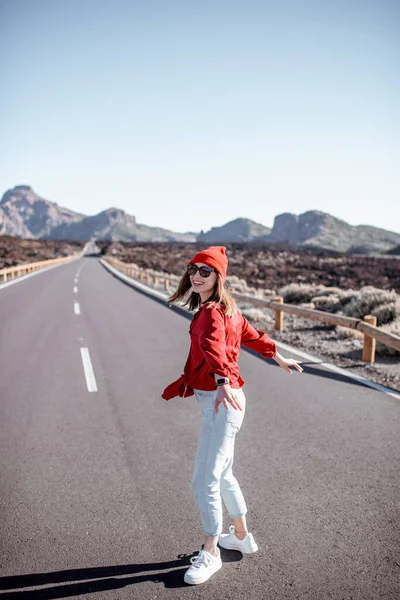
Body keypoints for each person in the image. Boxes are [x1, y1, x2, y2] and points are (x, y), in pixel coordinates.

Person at [162, 246, 303, 585]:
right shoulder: (228, 310)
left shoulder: (212, 312)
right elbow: (252, 336)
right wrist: (278, 356)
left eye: (205, 271)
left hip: (222, 400)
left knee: (204, 480)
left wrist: (223, 380)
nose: (197, 275)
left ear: (219, 277)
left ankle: (211, 552)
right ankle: (240, 535)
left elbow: (212, 346)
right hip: (221, 400)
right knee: (222, 473)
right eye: (193, 269)